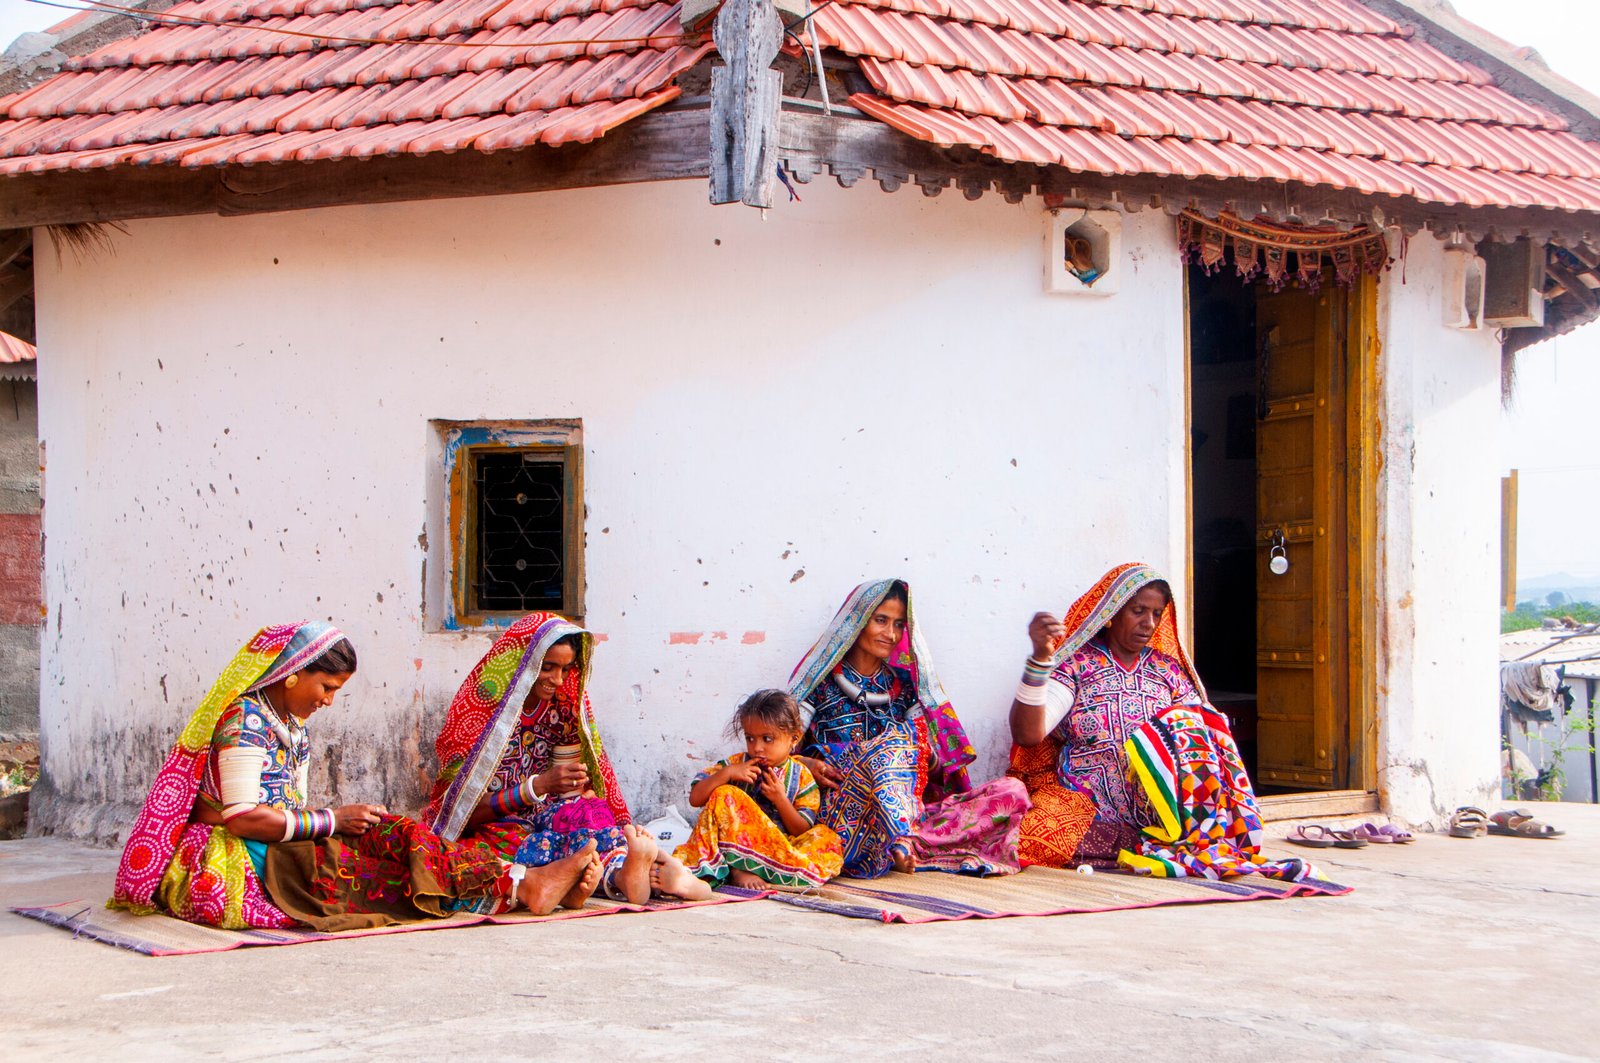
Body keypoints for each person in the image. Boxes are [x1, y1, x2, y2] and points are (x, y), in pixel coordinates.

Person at [110, 621, 601, 931]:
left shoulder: (286, 722)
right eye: (326, 686)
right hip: (245, 852)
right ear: (292, 674)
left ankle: (522, 882)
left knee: (400, 835)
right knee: (373, 879)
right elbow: (240, 819)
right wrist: (330, 821)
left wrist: (339, 821)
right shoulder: (245, 723)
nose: (328, 700)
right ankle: (521, 887)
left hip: (285, 835)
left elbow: (284, 808)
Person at [1007, 563, 1310, 880]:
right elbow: (1029, 734)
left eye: (1156, 613)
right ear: (1110, 613)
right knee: (1028, 837)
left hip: (1163, 812)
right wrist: (1041, 659)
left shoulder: (1168, 672)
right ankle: (1136, 846)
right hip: (1089, 808)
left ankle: (1145, 843)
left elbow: (1205, 739)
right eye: (1138, 611)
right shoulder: (1077, 666)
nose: (1148, 623)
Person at [424, 611, 710, 906]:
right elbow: (459, 814)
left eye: (565, 669)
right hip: (498, 825)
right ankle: (626, 874)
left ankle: (635, 872)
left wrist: (574, 796)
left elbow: (568, 789)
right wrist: (536, 787)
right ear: (522, 663)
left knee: (588, 816)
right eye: (547, 667)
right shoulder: (476, 716)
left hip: (544, 817)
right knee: (498, 850)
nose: (558, 680)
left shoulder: (560, 709)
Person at [787, 579, 1030, 878]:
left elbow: (936, 765)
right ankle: (904, 843)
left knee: (1012, 791)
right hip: (845, 815)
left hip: (907, 810)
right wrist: (807, 763)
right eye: (881, 620)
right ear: (858, 622)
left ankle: (906, 843)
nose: (890, 634)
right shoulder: (820, 684)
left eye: (899, 624)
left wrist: (922, 756)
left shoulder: (906, 689)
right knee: (891, 745)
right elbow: (778, 753)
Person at [673, 689, 844, 889]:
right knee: (724, 794)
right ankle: (739, 869)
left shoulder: (802, 775)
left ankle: (767, 868)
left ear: (794, 738)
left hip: (776, 847)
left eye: (767, 739)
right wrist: (726, 774)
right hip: (734, 844)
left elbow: (801, 829)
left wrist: (780, 799)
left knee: (827, 838)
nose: (757, 747)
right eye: (750, 738)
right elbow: (695, 799)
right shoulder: (736, 764)